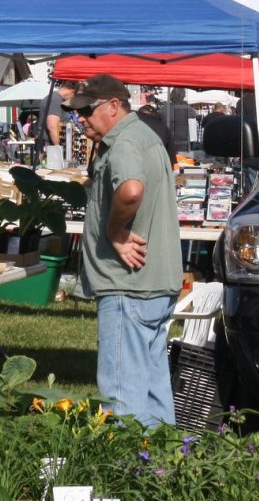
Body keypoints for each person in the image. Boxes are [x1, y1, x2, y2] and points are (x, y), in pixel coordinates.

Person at [64, 74, 182, 428]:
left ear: (114, 106)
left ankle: (122, 472)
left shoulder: (125, 141)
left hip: (128, 286)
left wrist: (116, 233)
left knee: (121, 397)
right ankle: (163, 466)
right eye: (76, 112)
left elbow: (131, 190)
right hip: (154, 283)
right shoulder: (146, 135)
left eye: (86, 110)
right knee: (153, 388)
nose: (80, 119)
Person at [36, 79, 78, 154]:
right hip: (51, 148)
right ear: (72, 91)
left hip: (51, 147)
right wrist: (59, 150)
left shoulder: (55, 98)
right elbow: (52, 126)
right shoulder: (55, 99)